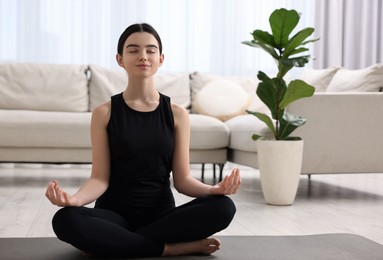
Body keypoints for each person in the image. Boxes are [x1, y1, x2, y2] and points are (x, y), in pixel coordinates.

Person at [45, 23, 241, 258]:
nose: (143, 56)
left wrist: (213, 189)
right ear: (120, 59)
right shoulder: (104, 113)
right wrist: (73, 200)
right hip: (113, 216)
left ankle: (115, 243)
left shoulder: (177, 113)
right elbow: (99, 179)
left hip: (162, 216)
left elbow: (183, 180)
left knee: (223, 207)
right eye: (133, 50)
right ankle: (170, 248)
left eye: (150, 50)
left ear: (161, 58)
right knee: (66, 219)